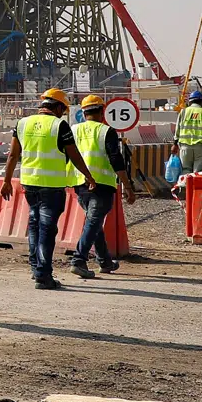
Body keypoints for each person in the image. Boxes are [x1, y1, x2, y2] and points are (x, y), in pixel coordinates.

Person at [1, 88, 96, 290]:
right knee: (46, 229)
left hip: (29, 184)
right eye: (63, 109)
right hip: (51, 187)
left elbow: (12, 155)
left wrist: (7, 180)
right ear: (59, 106)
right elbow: (75, 155)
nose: (63, 113)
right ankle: (44, 275)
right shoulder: (59, 125)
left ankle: (37, 269)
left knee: (34, 225)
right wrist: (88, 176)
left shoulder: (22, 123)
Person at [69, 95, 137, 279]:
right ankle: (78, 259)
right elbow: (116, 160)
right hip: (101, 184)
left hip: (79, 183)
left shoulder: (73, 130)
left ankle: (104, 261)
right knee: (94, 222)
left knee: (94, 222)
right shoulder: (105, 131)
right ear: (101, 111)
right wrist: (128, 187)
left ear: (83, 113)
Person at [174, 90, 202, 177]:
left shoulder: (184, 112)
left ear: (190, 101)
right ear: (201, 102)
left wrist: (174, 144)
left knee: (185, 170)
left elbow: (177, 129)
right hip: (200, 147)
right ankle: (195, 190)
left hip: (185, 146)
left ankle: (185, 189)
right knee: (198, 173)